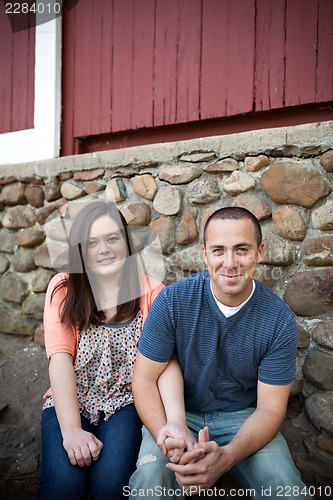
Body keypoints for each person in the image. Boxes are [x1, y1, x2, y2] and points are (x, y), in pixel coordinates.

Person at [128, 207, 312, 499]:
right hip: (180, 412)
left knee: (287, 489)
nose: (230, 262)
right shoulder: (172, 302)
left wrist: (226, 457)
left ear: (260, 251)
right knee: (150, 483)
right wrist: (166, 431)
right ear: (204, 253)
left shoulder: (279, 321)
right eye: (218, 250)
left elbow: (270, 409)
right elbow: (144, 380)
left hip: (243, 417)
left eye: (242, 249)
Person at [35, 201, 171, 500]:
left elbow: (163, 365)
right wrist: (71, 432)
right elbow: (60, 360)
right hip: (73, 398)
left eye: (113, 238)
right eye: (92, 243)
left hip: (127, 403)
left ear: (126, 241)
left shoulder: (151, 292)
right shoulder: (64, 288)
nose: (104, 249)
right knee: (63, 486)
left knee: (110, 486)